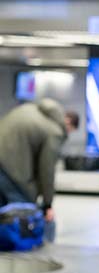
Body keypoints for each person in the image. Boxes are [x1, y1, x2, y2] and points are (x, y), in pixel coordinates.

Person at [0, 98, 79, 242]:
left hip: (5, 161)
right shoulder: (54, 131)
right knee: (25, 209)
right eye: (70, 131)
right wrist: (48, 203)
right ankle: (38, 245)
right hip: (9, 168)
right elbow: (47, 169)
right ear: (68, 123)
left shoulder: (31, 110)